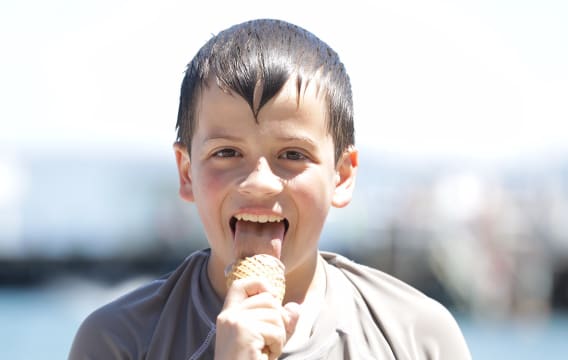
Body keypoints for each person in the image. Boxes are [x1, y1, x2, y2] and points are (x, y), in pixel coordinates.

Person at [68, 18, 471, 359]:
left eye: (293, 155)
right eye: (227, 152)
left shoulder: (416, 336)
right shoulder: (119, 341)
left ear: (342, 176)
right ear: (187, 172)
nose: (259, 182)